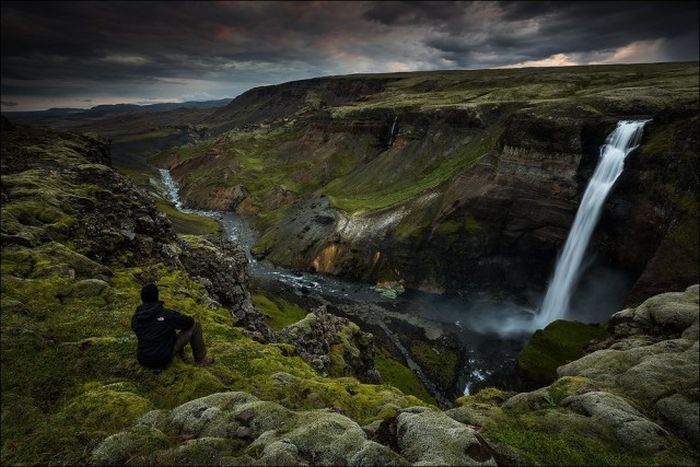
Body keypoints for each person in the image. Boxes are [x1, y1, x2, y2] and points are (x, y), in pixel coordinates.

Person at [131, 283, 213, 368]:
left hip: (143, 360)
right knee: (195, 325)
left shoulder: (136, 317)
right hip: (162, 359)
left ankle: (181, 355)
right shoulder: (166, 314)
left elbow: (134, 328)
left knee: (165, 328)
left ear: (142, 298)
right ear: (156, 296)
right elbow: (189, 322)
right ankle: (200, 359)